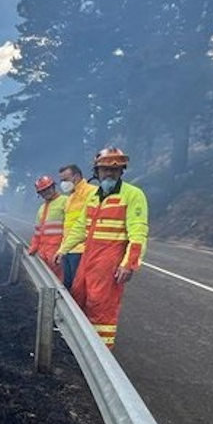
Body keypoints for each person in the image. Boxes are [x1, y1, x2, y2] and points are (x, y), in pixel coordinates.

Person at [53, 148, 148, 349]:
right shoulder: (95, 196)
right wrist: (63, 249)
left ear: (122, 171)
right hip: (89, 256)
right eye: (104, 169)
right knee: (79, 296)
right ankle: (80, 344)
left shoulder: (132, 195)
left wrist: (129, 264)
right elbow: (80, 227)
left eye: (114, 170)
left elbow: (138, 234)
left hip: (109, 261)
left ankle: (101, 352)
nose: (109, 173)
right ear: (97, 172)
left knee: (101, 305)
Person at [58, 164, 97, 290]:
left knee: (79, 287)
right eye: (62, 180)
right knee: (68, 285)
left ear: (77, 176)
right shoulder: (70, 197)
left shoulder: (92, 192)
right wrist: (63, 248)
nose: (63, 183)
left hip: (82, 250)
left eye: (65, 179)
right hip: (68, 248)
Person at [28, 175, 67, 281]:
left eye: (48, 188)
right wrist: (33, 247)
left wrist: (64, 249)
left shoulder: (65, 201)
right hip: (43, 251)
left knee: (60, 281)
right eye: (43, 191)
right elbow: (37, 232)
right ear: (40, 194)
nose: (46, 192)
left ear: (53, 187)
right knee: (46, 280)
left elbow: (72, 226)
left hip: (58, 250)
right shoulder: (41, 208)